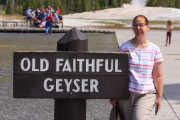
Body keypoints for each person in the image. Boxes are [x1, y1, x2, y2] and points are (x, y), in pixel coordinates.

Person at [110, 15, 163, 120]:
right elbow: (118, 74)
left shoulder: (155, 49)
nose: (138, 28)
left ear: (148, 27)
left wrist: (159, 97)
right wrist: (114, 95)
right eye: (135, 25)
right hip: (126, 94)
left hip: (146, 94)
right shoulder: (124, 47)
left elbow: (158, 76)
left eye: (141, 25)